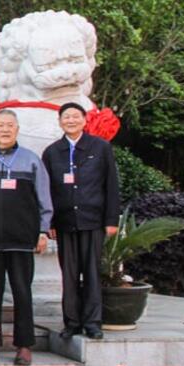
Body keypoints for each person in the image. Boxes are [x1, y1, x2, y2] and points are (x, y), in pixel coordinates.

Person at [0, 110, 53, 366]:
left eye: (9, 126)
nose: (5, 130)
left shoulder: (31, 160)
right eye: (0, 125)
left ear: (17, 130)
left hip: (22, 239)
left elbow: (44, 197)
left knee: (22, 292)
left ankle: (24, 345)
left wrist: (43, 230)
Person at [43, 103, 120, 341]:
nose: (71, 121)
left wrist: (111, 219)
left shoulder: (101, 147)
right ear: (59, 122)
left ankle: (93, 322)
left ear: (84, 120)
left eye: (75, 116)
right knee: (69, 274)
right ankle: (72, 322)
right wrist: (49, 222)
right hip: (64, 221)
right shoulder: (52, 152)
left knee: (92, 273)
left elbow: (111, 185)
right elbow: (47, 190)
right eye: (66, 117)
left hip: (93, 220)